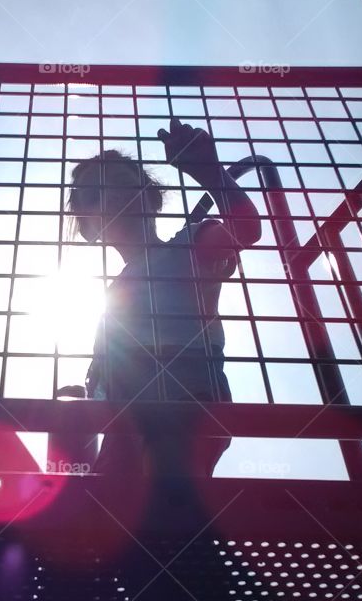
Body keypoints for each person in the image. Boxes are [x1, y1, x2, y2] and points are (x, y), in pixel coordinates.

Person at [61, 116, 263, 484]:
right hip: (125, 429)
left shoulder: (190, 244)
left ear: (151, 197)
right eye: (93, 193)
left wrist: (210, 171)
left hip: (186, 412)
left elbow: (246, 228)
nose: (107, 195)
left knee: (168, 490)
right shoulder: (111, 297)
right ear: (89, 228)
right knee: (106, 489)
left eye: (119, 182)